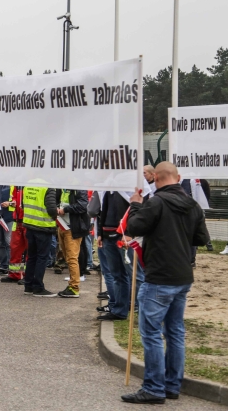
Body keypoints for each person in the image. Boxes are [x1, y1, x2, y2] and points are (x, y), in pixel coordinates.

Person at [120, 162, 210, 404]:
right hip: (182, 276)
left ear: (156, 178)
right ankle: (171, 385)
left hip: (159, 276)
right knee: (175, 332)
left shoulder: (156, 202)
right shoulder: (192, 204)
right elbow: (201, 238)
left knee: (150, 333)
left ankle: (154, 388)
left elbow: (133, 227)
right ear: (178, 177)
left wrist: (136, 205)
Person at [97, 190, 131, 321]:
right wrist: (100, 233)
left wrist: (128, 232)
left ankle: (123, 308)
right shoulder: (108, 192)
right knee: (116, 274)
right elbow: (102, 213)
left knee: (125, 274)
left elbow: (134, 212)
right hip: (107, 236)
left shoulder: (127, 191)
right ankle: (117, 308)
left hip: (121, 236)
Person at [20, 186, 58, 297]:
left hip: (30, 225)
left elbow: (23, 205)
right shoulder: (48, 187)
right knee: (42, 257)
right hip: (43, 227)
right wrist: (56, 214)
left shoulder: (27, 186)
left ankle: (28, 286)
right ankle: (38, 287)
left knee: (32, 257)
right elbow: (51, 209)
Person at [56, 189, 88, 298]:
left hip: (73, 228)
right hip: (62, 226)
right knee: (68, 258)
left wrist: (65, 209)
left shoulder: (79, 189)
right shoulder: (62, 188)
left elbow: (82, 206)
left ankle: (74, 287)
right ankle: (71, 285)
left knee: (72, 258)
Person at [0, 185, 13, 276]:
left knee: (10, 243)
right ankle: (3, 266)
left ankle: (12, 268)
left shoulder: (15, 184)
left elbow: (20, 200)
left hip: (9, 217)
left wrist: (10, 203)